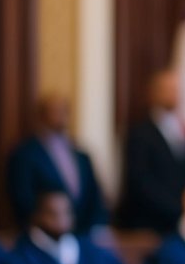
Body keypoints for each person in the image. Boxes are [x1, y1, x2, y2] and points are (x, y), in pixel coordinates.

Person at [7, 92, 109, 234]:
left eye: (65, 110)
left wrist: (97, 228)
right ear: (41, 115)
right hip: (43, 235)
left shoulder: (81, 154)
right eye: (55, 111)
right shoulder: (25, 155)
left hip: (82, 236)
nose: (61, 116)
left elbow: (94, 195)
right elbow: (23, 198)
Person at [117, 70, 185, 232]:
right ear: (154, 93)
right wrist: (177, 209)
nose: (173, 94)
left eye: (176, 90)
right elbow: (139, 181)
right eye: (167, 89)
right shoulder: (139, 133)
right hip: (149, 225)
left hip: (182, 224)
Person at [10, 189, 129, 264]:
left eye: (66, 212)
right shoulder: (23, 257)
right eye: (53, 214)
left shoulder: (92, 252)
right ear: (37, 216)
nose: (61, 220)